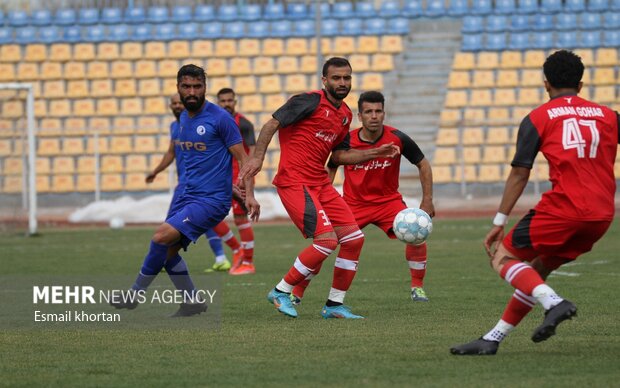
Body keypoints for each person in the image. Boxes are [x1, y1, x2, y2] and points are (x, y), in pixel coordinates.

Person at [451, 50, 619, 355]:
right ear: (580, 85)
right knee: (538, 269)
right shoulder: (608, 116)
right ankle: (493, 339)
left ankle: (555, 303)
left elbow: (519, 172)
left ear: (546, 84)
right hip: (602, 216)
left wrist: (499, 222)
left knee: (501, 257)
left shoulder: (538, 117)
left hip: (564, 209)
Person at [238, 57, 400, 319]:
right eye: (336, 78)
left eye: (346, 78)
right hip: (295, 181)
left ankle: (334, 305)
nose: (342, 83)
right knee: (326, 240)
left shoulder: (345, 115)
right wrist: (257, 157)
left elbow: (338, 157)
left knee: (354, 239)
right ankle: (282, 291)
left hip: (320, 184)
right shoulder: (308, 101)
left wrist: (373, 153)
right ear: (324, 80)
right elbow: (271, 125)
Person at [111, 64, 260, 317]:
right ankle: (191, 302)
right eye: (186, 87)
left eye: (197, 86)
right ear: (178, 88)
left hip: (210, 201)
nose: (191, 92)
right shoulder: (182, 119)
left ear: (205, 88)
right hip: (187, 195)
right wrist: (231, 189)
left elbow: (245, 160)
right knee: (165, 254)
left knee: (160, 237)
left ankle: (134, 294)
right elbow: (201, 162)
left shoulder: (220, 118)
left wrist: (250, 194)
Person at [292, 90, 435, 304]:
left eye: (378, 111)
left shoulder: (397, 138)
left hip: (389, 203)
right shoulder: (346, 140)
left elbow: (423, 164)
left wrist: (427, 200)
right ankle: (297, 292)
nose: (374, 116)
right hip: (352, 204)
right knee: (326, 242)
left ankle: (417, 287)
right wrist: (322, 198)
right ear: (360, 116)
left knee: (418, 233)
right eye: (368, 111)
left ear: (384, 114)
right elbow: (331, 167)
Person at [146, 93, 231, 272]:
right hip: (184, 183)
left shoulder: (200, 125)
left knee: (171, 225)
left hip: (194, 185)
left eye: (179, 103)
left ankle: (165, 259)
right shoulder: (175, 127)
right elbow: (171, 152)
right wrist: (155, 171)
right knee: (192, 223)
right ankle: (220, 257)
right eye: (174, 103)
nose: (177, 106)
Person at [212, 87, 258, 275]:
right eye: (222, 101)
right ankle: (237, 249)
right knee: (210, 216)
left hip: (240, 178)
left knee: (240, 219)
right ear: (218, 102)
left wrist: (245, 178)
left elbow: (253, 154)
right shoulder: (214, 123)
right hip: (220, 179)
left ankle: (248, 262)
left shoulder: (244, 124)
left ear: (235, 102)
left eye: (229, 100)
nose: (226, 104)